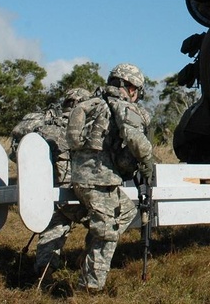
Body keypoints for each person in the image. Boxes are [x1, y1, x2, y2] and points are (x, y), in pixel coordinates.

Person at [66, 62, 155, 293]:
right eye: (137, 90)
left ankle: (86, 261)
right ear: (130, 87)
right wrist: (147, 163)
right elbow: (135, 138)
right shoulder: (120, 106)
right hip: (99, 180)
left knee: (126, 211)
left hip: (82, 177)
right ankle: (90, 289)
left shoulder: (92, 103)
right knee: (108, 235)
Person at [9, 87, 91, 274]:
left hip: (46, 193)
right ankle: (87, 263)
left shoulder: (44, 125)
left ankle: (44, 272)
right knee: (103, 224)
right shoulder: (77, 127)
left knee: (53, 230)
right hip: (73, 194)